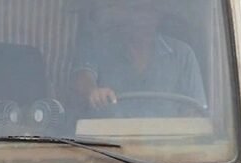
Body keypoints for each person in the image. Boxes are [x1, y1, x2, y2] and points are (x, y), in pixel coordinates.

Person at [71, 0, 207, 118]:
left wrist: (189, 121)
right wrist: (93, 92)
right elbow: (83, 77)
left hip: (169, 139)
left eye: (150, 10)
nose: (143, 17)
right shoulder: (98, 47)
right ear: (123, 13)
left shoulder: (183, 54)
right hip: (101, 139)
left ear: (159, 14)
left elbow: (196, 110)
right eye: (136, 9)